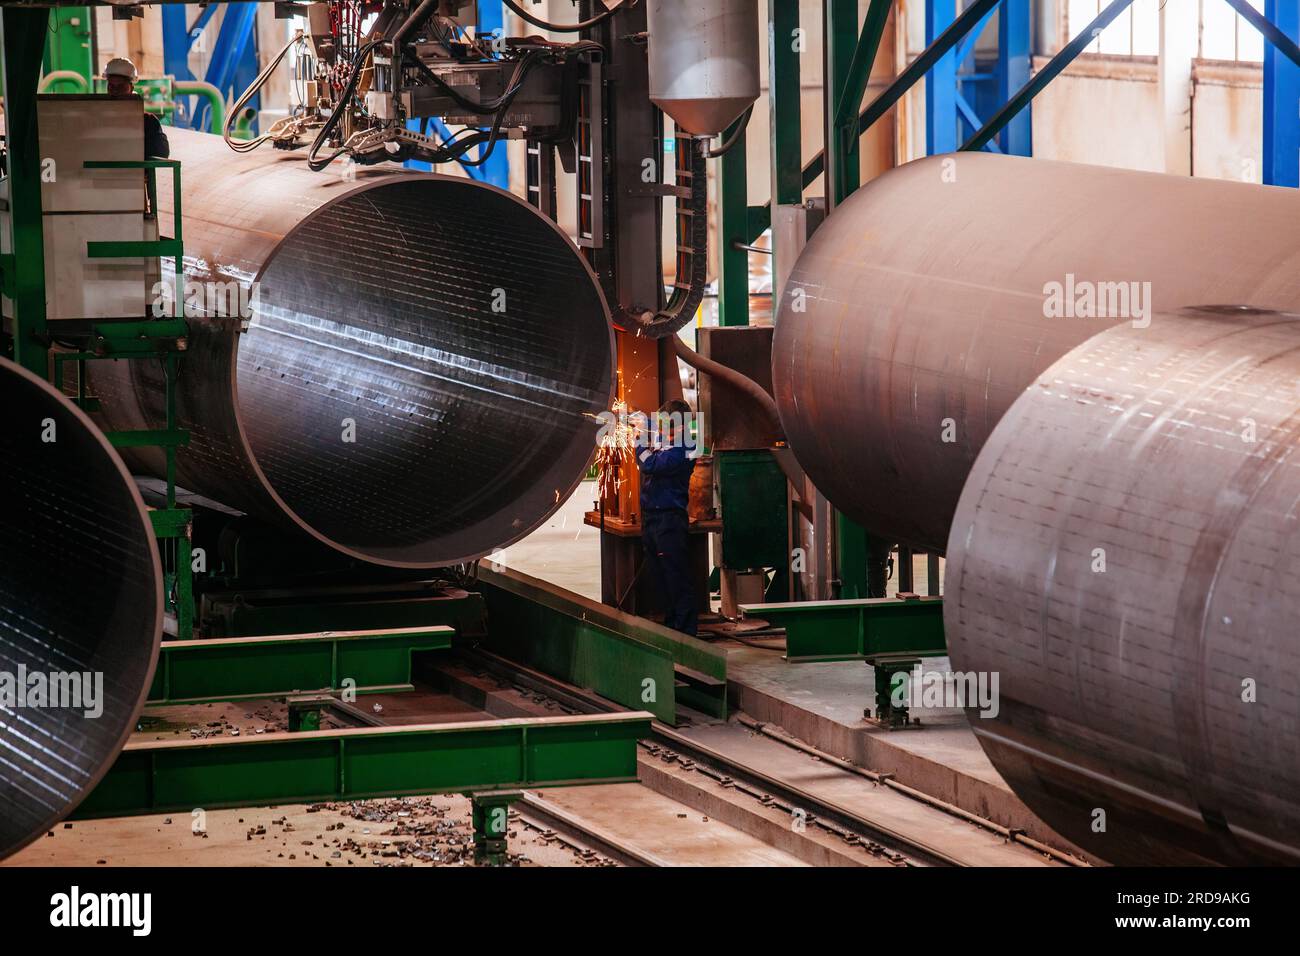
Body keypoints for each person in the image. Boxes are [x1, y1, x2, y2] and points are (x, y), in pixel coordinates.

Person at [635, 398, 698, 636]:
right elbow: (651, 423)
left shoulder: (685, 447)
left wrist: (640, 438)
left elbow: (648, 463)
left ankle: (686, 635)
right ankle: (673, 630)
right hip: (652, 520)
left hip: (669, 522)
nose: (660, 428)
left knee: (676, 580)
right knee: (661, 580)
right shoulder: (670, 440)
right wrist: (637, 418)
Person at [103, 57, 170, 159]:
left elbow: (162, 152)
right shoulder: (98, 119)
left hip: (135, 174)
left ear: (131, 88)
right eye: (111, 86)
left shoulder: (148, 121)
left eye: (120, 87)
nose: (115, 91)